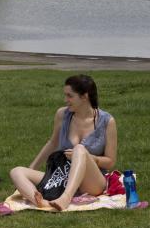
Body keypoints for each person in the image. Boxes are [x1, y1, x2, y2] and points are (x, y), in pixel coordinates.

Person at [10, 75, 118, 211]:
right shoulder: (62, 115)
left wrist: (88, 157)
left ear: (84, 96)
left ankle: (65, 198)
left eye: (70, 96)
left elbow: (110, 161)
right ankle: (41, 202)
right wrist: (32, 168)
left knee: (79, 149)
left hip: (92, 182)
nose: (65, 100)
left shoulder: (107, 121)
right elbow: (52, 143)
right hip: (62, 175)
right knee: (17, 171)